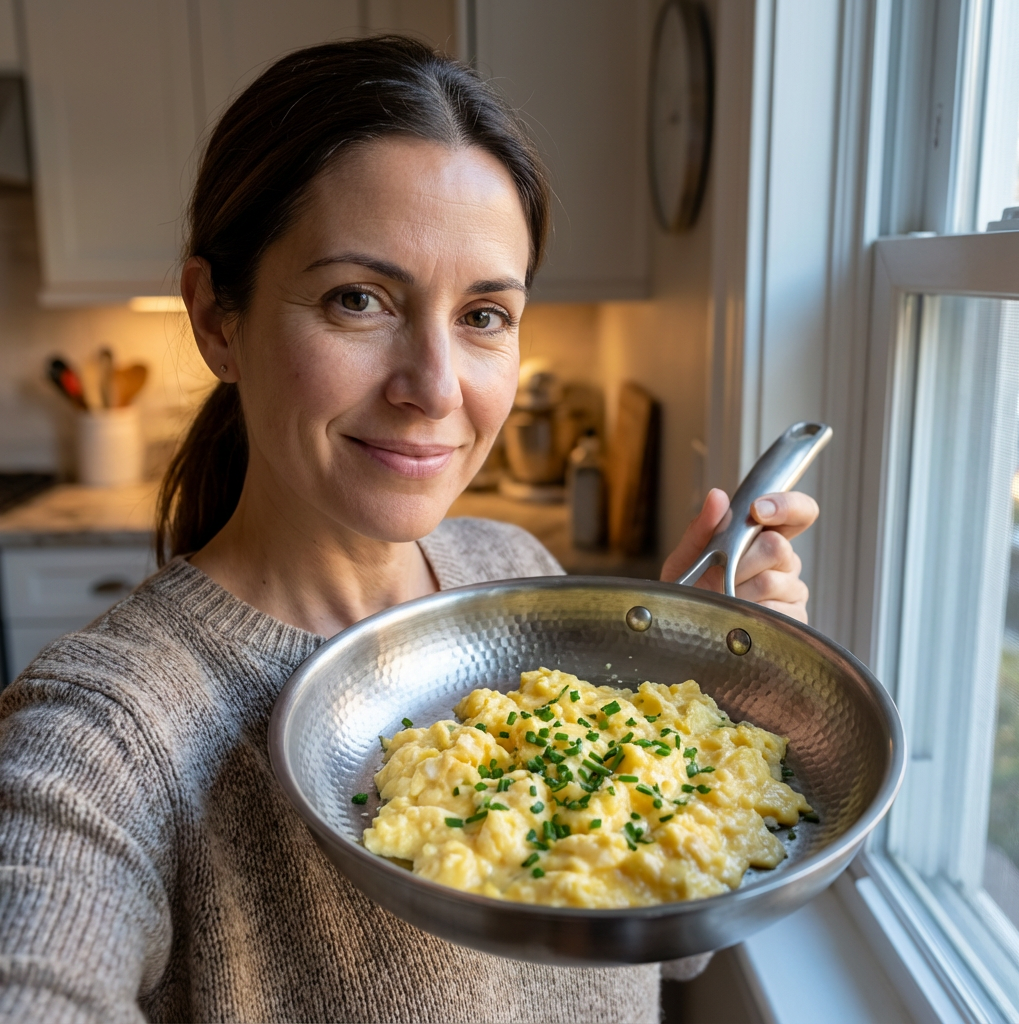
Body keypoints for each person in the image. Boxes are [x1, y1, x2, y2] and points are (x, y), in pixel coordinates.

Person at [0, 37, 818, 1023]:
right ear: (216, 316)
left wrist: (704, 731)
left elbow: (652, 953)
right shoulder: (107, 729)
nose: (434, 388)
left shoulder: (514, 571)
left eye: (483, 314)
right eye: (360, 300)